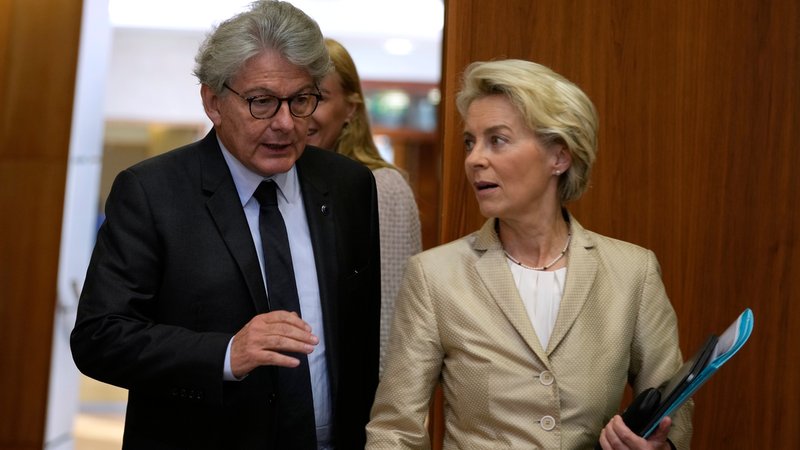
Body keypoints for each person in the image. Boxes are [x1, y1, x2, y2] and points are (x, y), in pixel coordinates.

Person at [70, 1, 380, 449]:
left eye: (301, 101)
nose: (285, 123)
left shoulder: (349, 186)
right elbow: (100, 338)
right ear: (213, 101)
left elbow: (361, 338)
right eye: (262, 102)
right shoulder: (152, 192)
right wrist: (225, 354)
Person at [366, 59, 693, 449]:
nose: (474, 159)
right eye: (471, 142)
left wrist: (660, 445)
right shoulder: (435, 276)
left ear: (559, 156)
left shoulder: (631, 272)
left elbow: (674, 409)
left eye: (497, 140)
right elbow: (395, 431)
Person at [306, 37, 422, 373]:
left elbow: (393, 315)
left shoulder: (381, 187)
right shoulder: (280, 182)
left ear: (351, 109)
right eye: (299, 98)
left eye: (320, 98)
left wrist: (383, 417)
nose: (304, 112)